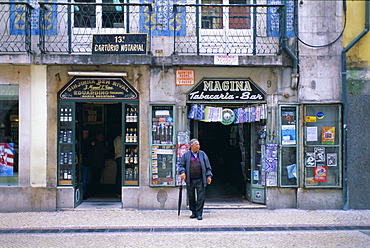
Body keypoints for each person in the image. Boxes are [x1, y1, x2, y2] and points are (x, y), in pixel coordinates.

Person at [178, 138, 213, 220]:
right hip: (190, 179)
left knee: (201, 197)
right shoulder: (186, 155)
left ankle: (199, 213)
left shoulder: (202, 154)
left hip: (200, 179)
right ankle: (193, 212)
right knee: (191, 196)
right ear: (191, 146)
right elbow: (181, 165)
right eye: (196, 144)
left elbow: (208, 166)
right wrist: (182, 172)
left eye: (199, 144)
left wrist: (209, 176)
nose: (198, 146)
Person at [81, 129, 92, 200]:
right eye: (87, 133)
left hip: (84, 162)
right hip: (84, 162)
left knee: (84, 178)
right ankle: (83, 194)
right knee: (84, 178)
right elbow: (85, 150)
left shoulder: (83, 141)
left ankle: (83, 194)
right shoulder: (83, 142)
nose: (87, 135)